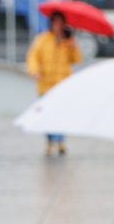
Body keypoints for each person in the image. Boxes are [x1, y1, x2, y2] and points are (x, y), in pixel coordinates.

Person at [25, 11, 82, 157]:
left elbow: (76, 59)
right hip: (45, 83)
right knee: (46, 114)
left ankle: (60, 141)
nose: (57, 25)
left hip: (62, 83)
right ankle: (50, 141)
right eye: (55, 22)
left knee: (61, 113)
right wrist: (34, 71)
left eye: (60, 22)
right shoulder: (43, 39)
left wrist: (71, 44)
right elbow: (33, 57)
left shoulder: (67, 41)